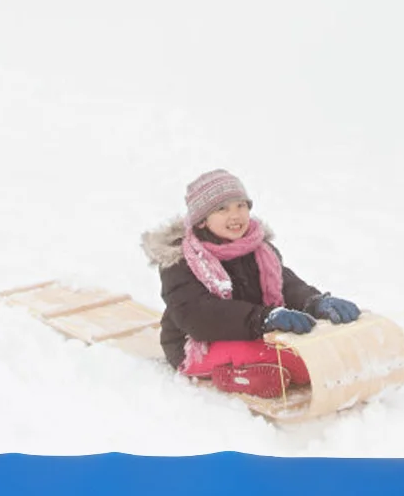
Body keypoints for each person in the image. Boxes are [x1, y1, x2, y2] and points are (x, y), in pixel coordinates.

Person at [141, 168, 360, 399]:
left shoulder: (259, 250)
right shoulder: (182, 261)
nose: (235, 216)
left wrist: (315, 303)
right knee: (299, 363)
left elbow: (285, 283)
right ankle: (239, 376)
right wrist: (262, 318)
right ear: (202, 220)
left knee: (319, 350)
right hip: (195, 344)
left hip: (253, 331)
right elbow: (197, 315)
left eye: (241, 206)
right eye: (222, 209)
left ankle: (271, 372)